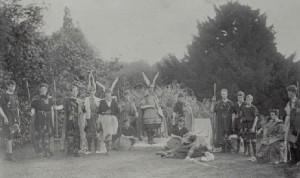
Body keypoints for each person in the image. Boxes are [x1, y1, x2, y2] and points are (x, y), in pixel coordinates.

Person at [31, 83, 54, 158]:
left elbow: (51, 109)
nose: (43, 90)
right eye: (42, 89)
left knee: (47, 135)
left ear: (47, 90)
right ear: (39, 89)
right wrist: (32, 112)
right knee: (39, 135)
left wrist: (52, 120)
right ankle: (40, 152)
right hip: (39, 119)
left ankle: (47, 151)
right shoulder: (36, 99)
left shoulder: (50, 99)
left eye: (45, 89)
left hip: (47, 119)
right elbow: (33, 108)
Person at [0, 80, 20, 161]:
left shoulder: (15, 95)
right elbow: (0, 107)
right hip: (7, 115)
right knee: (9, 135)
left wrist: (18, 117)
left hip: (14, 116)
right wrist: (4, 117)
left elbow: (17, 107)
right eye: (11, 86)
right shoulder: (4, 95)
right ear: (7, 86)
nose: (13, 87)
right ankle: (9, 155)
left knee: (12, 134)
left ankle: (8, 154)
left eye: (14, 86)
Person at [64, 85, 84, 157]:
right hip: (70, 119)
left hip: (78, 120)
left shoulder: (80, 101)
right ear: (71, 92)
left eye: (76, 91)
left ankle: (76, 150)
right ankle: (70, 150)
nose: (75, 92)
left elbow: (84, 111)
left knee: (77, 135)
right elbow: (66, 111)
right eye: (73, 91)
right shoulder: (67, 101)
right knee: (70, 134)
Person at [98, 88, 119, 153]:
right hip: (105, 118)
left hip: (112, 118)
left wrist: (112, 112)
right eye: (106, 93)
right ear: (105, 94)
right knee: (107, 132)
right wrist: (105, 112)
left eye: (109, 93)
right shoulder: (102, 102)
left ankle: (109, 147)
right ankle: (107, 148)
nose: (108, 94)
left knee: (111, 131)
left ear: (111, 94)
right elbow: (99, 111)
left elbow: (117, 111)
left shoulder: (114, 102)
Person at [84, 72, 101, 154]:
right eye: (90, 90)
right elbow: (84, 110)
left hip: (96, 117)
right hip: (89, 117)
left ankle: (97, 149)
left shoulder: (98, 99)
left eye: (93, 90)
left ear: (95, 91)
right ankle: (89, 148)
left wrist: (92, 78)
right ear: (89, 91)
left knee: (96, 132)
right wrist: (89, 77)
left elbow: (99, 109)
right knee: (89, 133)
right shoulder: (86, 99)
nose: (92, 92)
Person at [284, 85, 300, 166]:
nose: (288, 93)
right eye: (288, 92)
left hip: (297, 126)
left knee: (297, 143)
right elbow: (288, 114)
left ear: (294, 92)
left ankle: (298, 160)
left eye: (289, 92)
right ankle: (293, 159)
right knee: (291, 142)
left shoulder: (298, 102)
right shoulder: (289, 103)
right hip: (291, 125)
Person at [240, 94, 259, 162]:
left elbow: (256, 117)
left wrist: (254, 127)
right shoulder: (243, 108)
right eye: (247, 99)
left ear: (252, 100)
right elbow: (242, 117)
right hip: (245, 125)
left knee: (253, 140)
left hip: (251, 124)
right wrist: (242, 126)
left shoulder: (253, 108)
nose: (248, 101)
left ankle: (255, 155)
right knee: (247, 140)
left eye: (249, 99)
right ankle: (249, 155)